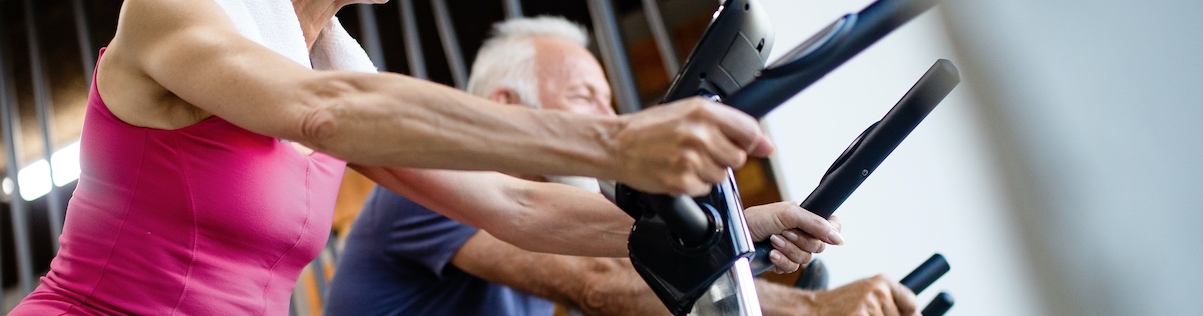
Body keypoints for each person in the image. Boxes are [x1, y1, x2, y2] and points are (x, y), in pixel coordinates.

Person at [9, 0, 843, 314]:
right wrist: (616, 142)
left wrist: (742, 221)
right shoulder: (178, 11)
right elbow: (326, 115)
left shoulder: (333, 54)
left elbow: (517, 210)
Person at [324, 17, 919, 316]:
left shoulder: (554, 218)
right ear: (506, 104)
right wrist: (813, 309)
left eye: (609, 101)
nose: (611, 119)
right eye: (587, 99)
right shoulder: (425, 186)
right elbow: (601, 282)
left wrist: (747, 228)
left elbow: (641, 255)